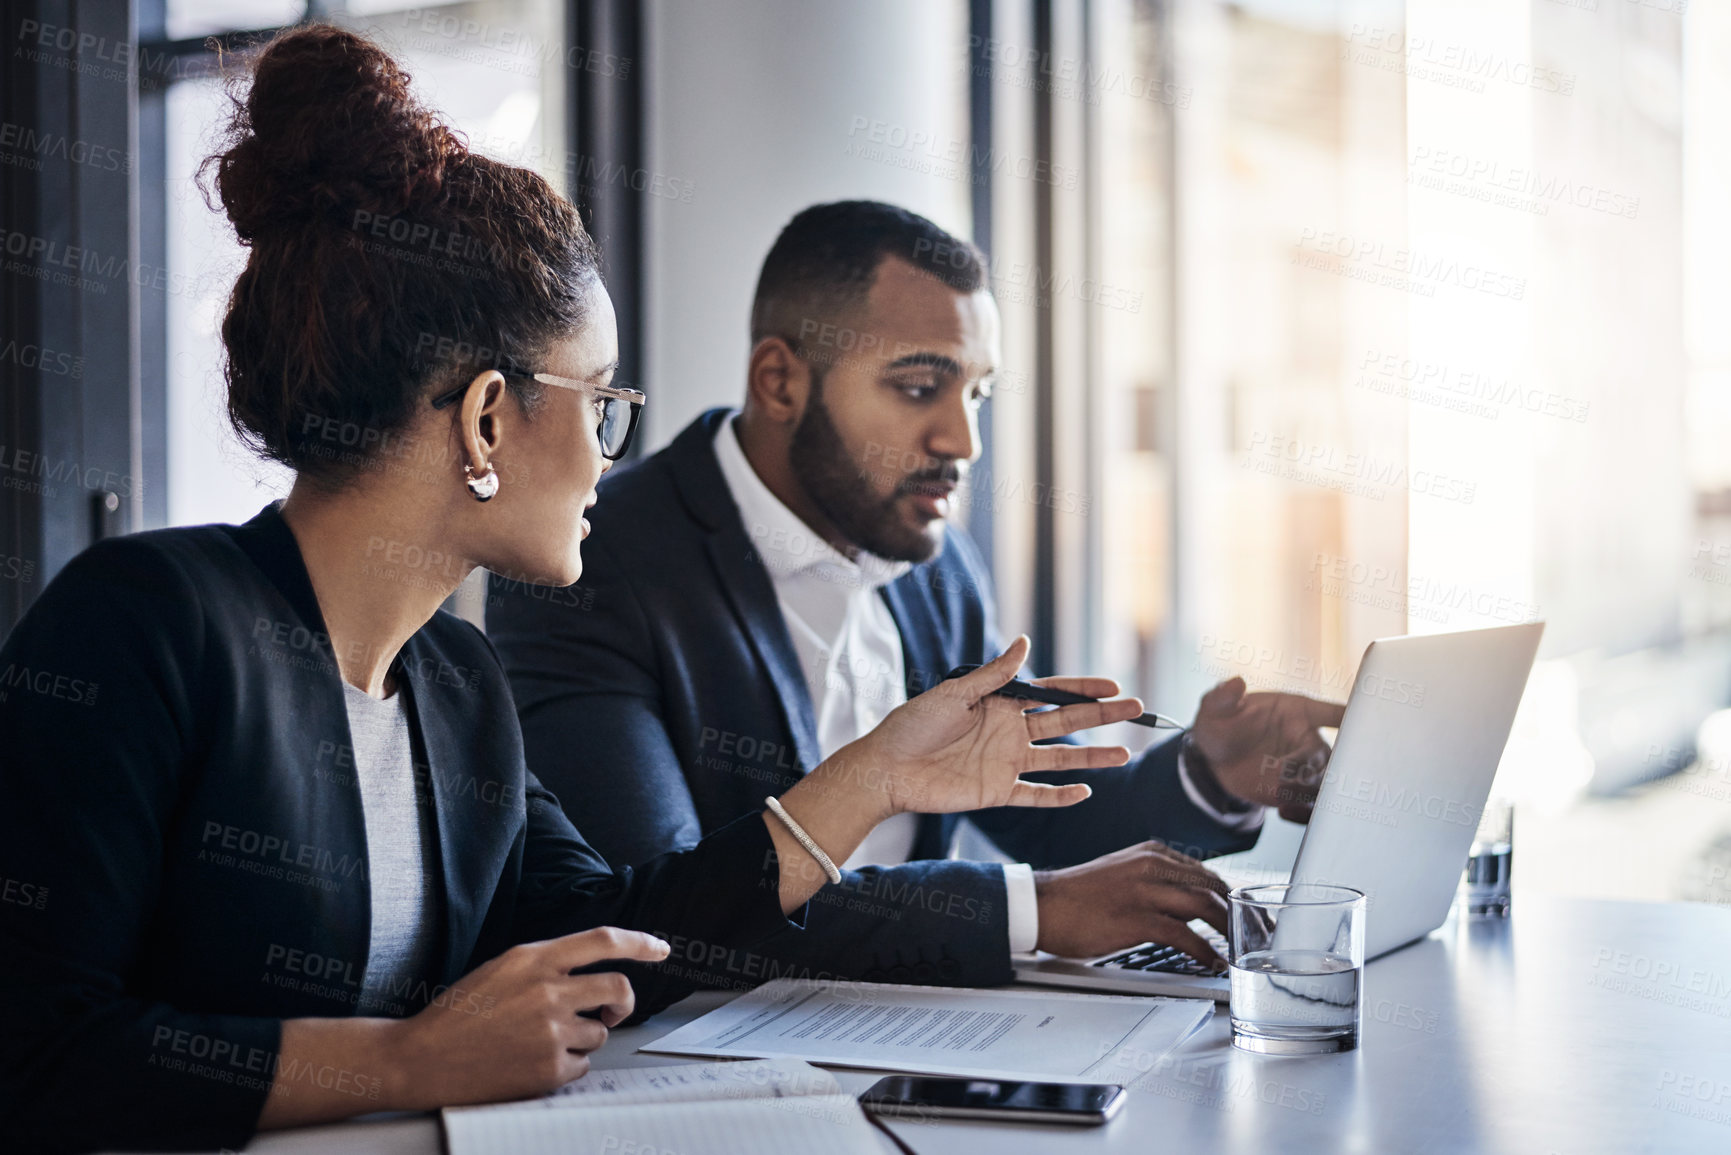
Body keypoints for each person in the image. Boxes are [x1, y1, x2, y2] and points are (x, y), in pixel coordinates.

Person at [0, 33, 1145, 1153]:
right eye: (600, 402)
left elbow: (625, 941)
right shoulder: (145, 622)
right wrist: (403, 1063)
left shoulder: (453, 688)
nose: (609, 456)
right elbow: (35, 1054)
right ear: (489, 418)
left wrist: (879, 774)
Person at [488, 200, 1347, 987]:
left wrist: (1209, 774)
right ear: (780, 382)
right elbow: (658, 914)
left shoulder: (935, 563)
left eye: (975, 392)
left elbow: (1040, 813)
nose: (962, 438)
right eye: (917, 386)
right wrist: (1030, 910)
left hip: (920, 1028)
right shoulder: (599, 562)